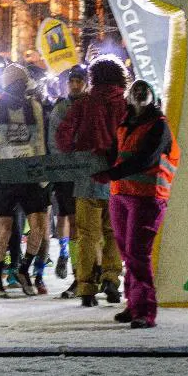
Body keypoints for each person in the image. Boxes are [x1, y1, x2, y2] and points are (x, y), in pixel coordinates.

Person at [94, 79, 179, 328]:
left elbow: (145, 159)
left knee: (137, 254)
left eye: (145, 91)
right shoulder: (125, 124)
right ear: (129, 97)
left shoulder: (159, 126)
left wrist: (110, 174)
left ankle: (145, 311)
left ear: (153, 97)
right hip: (121, 195)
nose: (140, 94)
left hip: (147, 197)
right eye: (136, 91)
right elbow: (118, 155)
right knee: (128, 254)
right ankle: (133, 305)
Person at [56, 57, 129, 306]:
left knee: (87, 234)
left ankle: (86, 287)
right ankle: (111, 279)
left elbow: (63, 134)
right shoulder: (126, 105)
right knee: (115, 232)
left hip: (87, 175)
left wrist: (74, 152)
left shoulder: (84, 103)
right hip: (118, 177)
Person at [0, 64, 48, 297]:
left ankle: (24, 269)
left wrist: (42, 173)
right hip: (4, 176)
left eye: (24, 87)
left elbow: (39, 141)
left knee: (38, 227)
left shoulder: (34, 107)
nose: (22, 91)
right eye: (19, 86)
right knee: (4, 227)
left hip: (29, 174)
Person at [47, 66, 87, 281]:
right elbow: (53, 140)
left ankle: (76, 265)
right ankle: (66, 256)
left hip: (83, 171)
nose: (75, 84)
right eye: (72, 81)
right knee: (65, 214)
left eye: (79, 80)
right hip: (65, 170)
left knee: (76, 218)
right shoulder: (61, 107)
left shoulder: (90, 105)